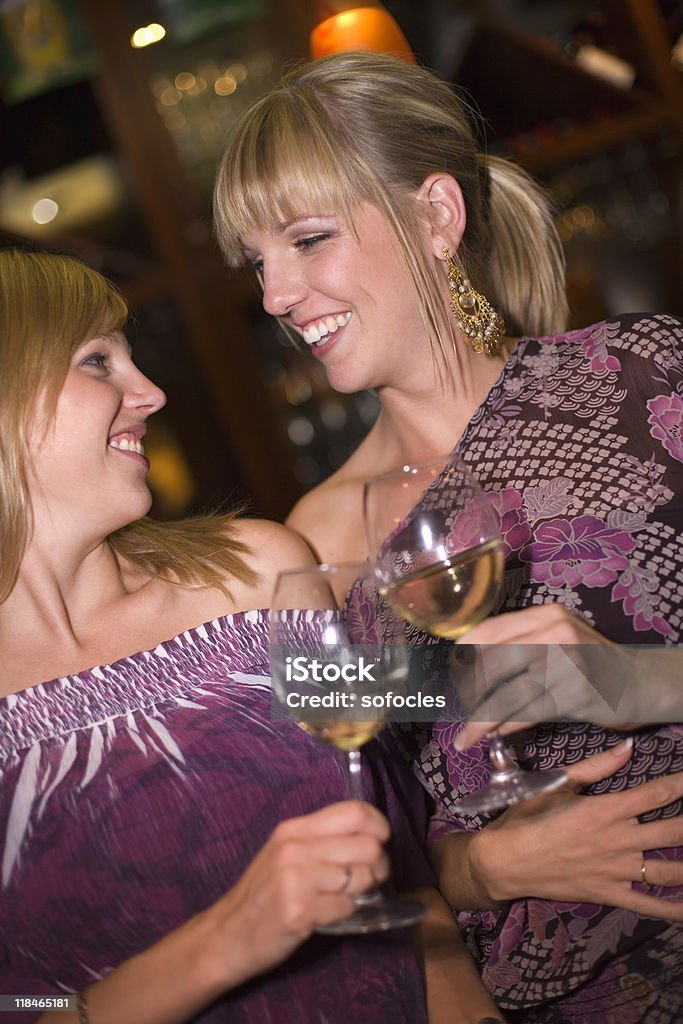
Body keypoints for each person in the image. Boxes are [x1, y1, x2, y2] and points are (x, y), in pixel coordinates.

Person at [212, 51, 683, 1021]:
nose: (273, 293)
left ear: (435, 215)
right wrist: (485, 867)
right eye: (257, 260)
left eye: (305, 239)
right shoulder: (313, 542)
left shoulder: (642, 381)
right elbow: (362, 850)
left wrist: (634, 685)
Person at [0, 250, 507, 1024]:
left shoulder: (253, 577)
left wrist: (627, 680)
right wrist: (232, 937)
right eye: (97, 360)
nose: (150, 393)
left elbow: (408, 818)